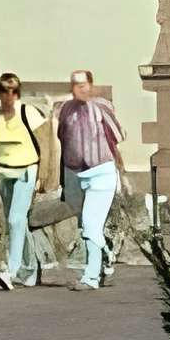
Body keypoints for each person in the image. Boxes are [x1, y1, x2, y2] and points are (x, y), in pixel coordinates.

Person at [54, 70, 124, 291]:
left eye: (84, 84)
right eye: (76, 85)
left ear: (91, 85)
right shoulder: (65, 110)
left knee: (91, 226)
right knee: (87, 225)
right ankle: (106, 253)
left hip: (101, 171)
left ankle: (91, 277)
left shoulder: (101, 107)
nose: (81, 88)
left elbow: (118, 135)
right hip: (76, 174)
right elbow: (62, 138)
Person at [0, 71, 46, 291]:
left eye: (14, 91)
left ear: (18, 93)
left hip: (27, 170)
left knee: (16, 220)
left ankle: (11, 270)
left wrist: (44, 175)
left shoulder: (28, 112)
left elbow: (46, 143)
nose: (9, 96)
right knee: (16, 221)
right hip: (5, 173)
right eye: (5, 91)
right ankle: (31, 267)